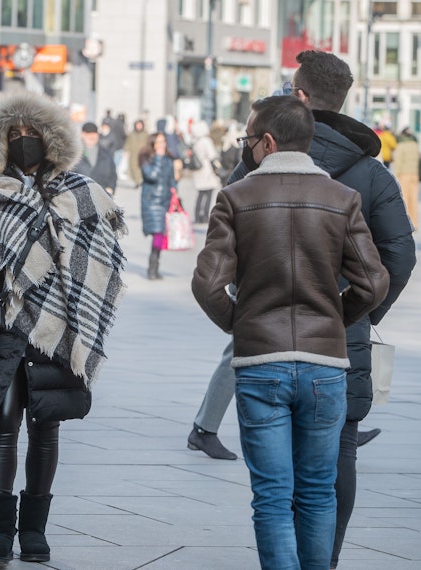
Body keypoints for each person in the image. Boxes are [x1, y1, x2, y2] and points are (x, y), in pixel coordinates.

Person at [183, 50, 417, 569]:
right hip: (331, 356)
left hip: (262, 354)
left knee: (271, 496)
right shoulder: (357, 184)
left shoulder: (243, 184)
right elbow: (386, 268)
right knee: (324, 484)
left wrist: (243, 323)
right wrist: (343, 316)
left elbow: (207, 280)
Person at [0, 90, 126, 565]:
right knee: (2, 425)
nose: (24, 141)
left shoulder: (81, 191)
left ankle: (35, 533)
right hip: (2, 325)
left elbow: (101, 263)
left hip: (58, 328)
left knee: (47, 424)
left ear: (52, 139)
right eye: (14, 134)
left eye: (32, 133)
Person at [139, 132, 178, 280]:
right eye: (158, 142)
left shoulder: (168, 158)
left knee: (161, 233)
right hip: (151, 201)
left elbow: (172, 178)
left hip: (165, 201)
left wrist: (175, 190)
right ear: (153, 144)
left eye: (163, 142)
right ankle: (152, 268)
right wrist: (159, 158)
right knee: (158, 233)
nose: (162, 145)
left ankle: (155, 267)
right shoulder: (147, 158)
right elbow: (152, 176)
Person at [73, 121, 117, 195]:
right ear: (82, 134)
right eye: (88, 133)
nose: (91, 136)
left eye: (94, 133)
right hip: (79, 196)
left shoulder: (105, 153)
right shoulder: (74, 153)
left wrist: (111, 188)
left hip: (101, 196)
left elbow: (113, 174)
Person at [189, 120, 221, 224]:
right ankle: (205, 215)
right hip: (207, 170)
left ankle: (197, 215)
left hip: (198, 171)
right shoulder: (206, 141)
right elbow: (212, 156)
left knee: (200, 194)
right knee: (209, 193)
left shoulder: (194, 141)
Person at [391, 128, 419, 229]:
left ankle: (407, 224)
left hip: (404, 175)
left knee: (405, 199)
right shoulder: (415, 146)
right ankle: (415, 223)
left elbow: (398, 163)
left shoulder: (401, 146)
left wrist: (394, 176)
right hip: (414, 175)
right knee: (414, 199)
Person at [124, 119, 149, 187]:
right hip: (133, 154)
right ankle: (137, 181)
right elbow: (128, 143)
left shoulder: (145, 134)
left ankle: (140, 180)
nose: (138, 126)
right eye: (137, 125)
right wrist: (126, 150)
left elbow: (148, 143)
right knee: (133, 167)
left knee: (141, 167)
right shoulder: (132, 134)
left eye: (140, 125)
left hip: (143, 154)